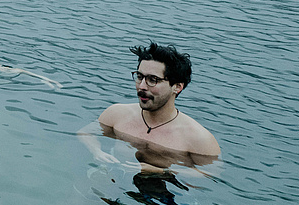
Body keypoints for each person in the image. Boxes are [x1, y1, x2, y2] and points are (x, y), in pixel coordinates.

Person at [79, 42, 220, 172]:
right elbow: (85, 133)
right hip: (116, 179)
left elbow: (211, 173)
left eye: (153, 80)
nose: (141, 86)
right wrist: (96, 151)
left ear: (177, 87)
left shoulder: (199, 138)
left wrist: (162, 171)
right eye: (139, 77)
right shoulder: (117, 114)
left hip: (165, 192)